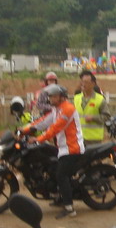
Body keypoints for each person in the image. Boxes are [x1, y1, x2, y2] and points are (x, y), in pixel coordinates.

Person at [25, 84, 85, 218]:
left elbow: (55, 128)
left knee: (61, 175)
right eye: (50, 96)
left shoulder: (68, 109)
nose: (50, 98)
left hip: (72, 148)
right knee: (51, 168)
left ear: (62, 97)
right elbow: (43, 121)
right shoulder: (56, 110)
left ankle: (69, 208)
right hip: (63, 148)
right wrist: (25, 129)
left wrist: (38, 139)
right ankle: (59, 196)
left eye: (53, 96)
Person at [74, 71, 109, 142]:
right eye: (82, 81)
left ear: (93, 84)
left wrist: (93, 118)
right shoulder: (76, 98)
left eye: (86, 82)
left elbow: (107, 117)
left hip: (94, 139)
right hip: (79, 137)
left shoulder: (100, 99)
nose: (83, 84)